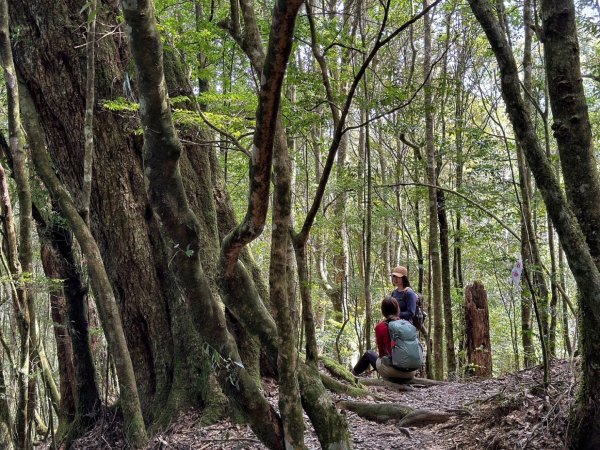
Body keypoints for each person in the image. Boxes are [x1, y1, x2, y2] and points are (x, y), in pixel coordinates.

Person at [352, 296, 418, 380]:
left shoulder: (380, 327)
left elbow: (382, 354)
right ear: (398, 309)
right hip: (411, 372)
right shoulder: (407, 324)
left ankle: (351, 376)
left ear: (383, 311)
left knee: (369, 354)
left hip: (393, 373)